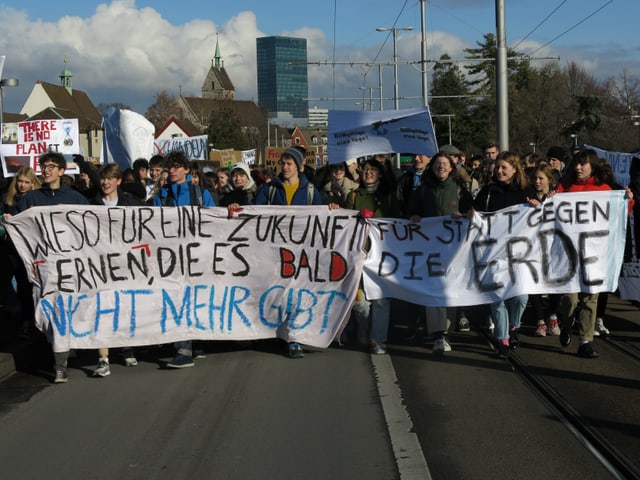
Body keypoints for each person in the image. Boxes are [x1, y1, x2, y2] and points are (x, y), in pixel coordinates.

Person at [13, 152, 90, 383]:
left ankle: (62, 359)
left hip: (70, 266)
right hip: (44, 268)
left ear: (61, 171)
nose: (46, 170)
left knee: (68, 311)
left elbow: (91, 225)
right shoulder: (30, 199)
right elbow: (19, 227)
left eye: (51, 166)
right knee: (52, 314)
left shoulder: (75, 198)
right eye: (43, 166)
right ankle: (60, 359)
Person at [555, 149, 634, 358]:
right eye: (576, 164)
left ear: (593, 166)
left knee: (591, 298)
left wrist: (627, 201)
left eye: (583, 164)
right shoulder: (564, 187)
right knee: (570, 299)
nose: (578, 168)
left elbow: (618, 217)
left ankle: (586, 341)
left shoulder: (605, 189)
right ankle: (566, 322)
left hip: (594, 255)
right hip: (569, 255)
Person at [254, 147, 325, 358]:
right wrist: (236, 209)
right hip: (275, 252)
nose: (284, 167)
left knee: (296, 294)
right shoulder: (270, 190)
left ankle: (294, 339)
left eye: (289, 164)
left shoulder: (311, 191)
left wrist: (331, 208)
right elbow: (254, 212)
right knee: (278, 292)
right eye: (283, 164)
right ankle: (276, 332)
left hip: (302, 252)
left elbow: (322, 217)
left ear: (299, 166)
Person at [153, 150, 216, 368]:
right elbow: (153, 226)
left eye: (177, 167)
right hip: (172, 259)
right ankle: (184, 348)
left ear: (187, 170)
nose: (172, 170)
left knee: (196, 298)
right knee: (178, 298)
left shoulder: (199, 193)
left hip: (197, 256)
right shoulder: (161, 196)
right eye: (169, 167)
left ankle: (194, 341)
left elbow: (215, 221)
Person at [473, 151, 536, 359]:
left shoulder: (526, 191)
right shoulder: (489, 191)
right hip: (494, 253)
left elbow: (539, 217)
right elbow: (475, 211)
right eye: (497, 168)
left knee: (520, 297)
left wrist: (536, 206)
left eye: (503, 168)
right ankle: (502, 340)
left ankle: (513, 326)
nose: (499, 171)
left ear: (514, 169)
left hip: (519, 253)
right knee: (497, 298)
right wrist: (468, 213)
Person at [408, 153, 473, 355]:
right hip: (430, 248)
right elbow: (411, 210)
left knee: (449, 289)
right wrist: (414, 216)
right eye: (437, 164)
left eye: (445, 164)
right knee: (434, 288)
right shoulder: (423, 190)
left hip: (454, 250)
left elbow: (472, 213)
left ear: (452, 168)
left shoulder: (461, 190)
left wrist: (464, 216)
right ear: (432, 167)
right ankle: (437, 334)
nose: (441, 167)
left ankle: (446, 332)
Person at [89, 163, 146, 377]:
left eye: (110, 178)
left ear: (118, 181)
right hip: (100, 265)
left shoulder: (131, 204)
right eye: (103, 178)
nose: (105, 182)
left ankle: (126, 347)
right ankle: (103, 358)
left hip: (126, 264)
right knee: (102, 308)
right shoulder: (91, 205)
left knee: (125, 306)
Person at [346, 158, 401, 355]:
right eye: (365, 170)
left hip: (382, 256)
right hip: (359, 253)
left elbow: (398, 222)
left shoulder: (388, 197)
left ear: (380, 173)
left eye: (373, 170)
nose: (368, 173)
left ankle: (377, 340)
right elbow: (342, 223)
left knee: (381, 299)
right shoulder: (352, 196)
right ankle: (363, 326)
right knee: (359, 300)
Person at [1, 167, 41, 337]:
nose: (22, 185)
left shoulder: (36, 200)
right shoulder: (7, 199)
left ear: (33, 183)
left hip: (30, 251)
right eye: (20, 181)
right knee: (7, 282)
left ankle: (29, 321)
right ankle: (18, 316)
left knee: (26, 286)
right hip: (10, 249)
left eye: (26, 182)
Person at [527, 163, 562, 337]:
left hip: (554, 247)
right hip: (533, 248)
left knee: (557, 283)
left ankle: (553, 315)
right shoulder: (526, 196)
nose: (537, 181)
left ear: (550, 180)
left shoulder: (558, 197)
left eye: (541, 178)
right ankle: (540, 320)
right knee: (534, 284)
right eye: (534, 178)